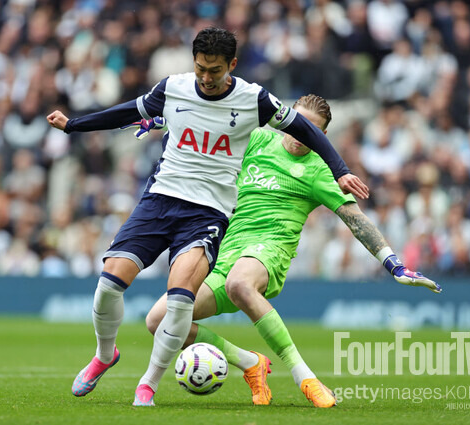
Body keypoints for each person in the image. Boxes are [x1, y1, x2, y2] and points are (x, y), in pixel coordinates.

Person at [46, 27, 369, 407]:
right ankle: (104, 355)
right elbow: (128, 113)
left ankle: (147, 386)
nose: (205, 77)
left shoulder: (254, 99)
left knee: (179, 301)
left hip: (206, 213)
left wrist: (339, 169)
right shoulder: (173, 88)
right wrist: (74, 125)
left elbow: (307, 131)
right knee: (109, 286)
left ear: (231, 65)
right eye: (200, 68)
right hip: (160, 200)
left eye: (214, 70)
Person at [142, 95, 441, 408]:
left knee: (240, 284)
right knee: (159, 321)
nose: (300, 132)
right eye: (296, 122)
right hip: (226, 255)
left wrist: (394, 265)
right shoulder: (257, 140)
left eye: (311, 129)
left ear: (321, 137)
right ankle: (249, 363)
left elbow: (356, 220)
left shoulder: (318, 171)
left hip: (269, 251)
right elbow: (213, 133)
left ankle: (305, 377)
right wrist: (163, 121)